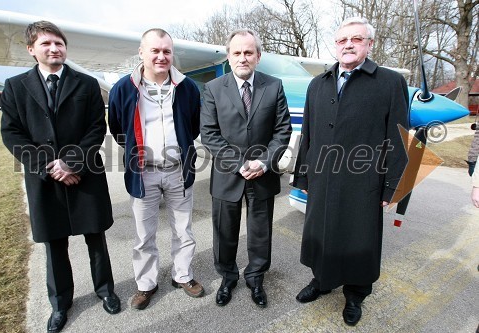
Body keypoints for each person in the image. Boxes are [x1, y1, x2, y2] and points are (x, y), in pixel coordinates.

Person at [0, 21, 120, 333]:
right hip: (44, 179)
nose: (55, 49)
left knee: (95, 236)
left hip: (84, 175)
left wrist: (71, 163)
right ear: (32, 50)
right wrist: (50, 166)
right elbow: (12, 133)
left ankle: (105, 290)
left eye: (59, 43)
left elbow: (96, 127)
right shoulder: (15, 87)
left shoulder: (86, 84)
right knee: (54, 243)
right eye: (46, 44)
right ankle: (60, 303)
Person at [292, 17, 409, 326]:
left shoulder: (390, 82)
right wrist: (302, 175)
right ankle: (322, 281)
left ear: (369, 44)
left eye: (356, 39)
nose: (348, 45)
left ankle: (356, 295)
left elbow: (398, 137)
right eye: (343, 40)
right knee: (323, 233)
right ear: (336, 46)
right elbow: (309, 134)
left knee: (359, 239)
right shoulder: (318, 84)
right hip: (322, 177)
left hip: (364, 181)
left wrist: (392, 187)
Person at [108, 28, 204, 310]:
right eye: (155, 50)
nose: (161, 56)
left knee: (184, 229)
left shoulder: (187, 87)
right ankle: (146, 284)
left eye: (166, 51)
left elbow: (194, 124)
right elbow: (117, 127)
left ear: (172, 54)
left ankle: (183, 275)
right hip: (143, 172)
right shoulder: (123, 88)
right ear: (142, 52)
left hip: (178, 169)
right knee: (143, 234)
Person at [200, 29, 292, 308]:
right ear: (228, 57)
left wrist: (264, 161)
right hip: (228, 175)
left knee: (260, 232)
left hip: (263, 173)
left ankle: (255, 278)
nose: (243, 57)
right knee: (224, 231)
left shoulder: (274, 86)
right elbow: (209, 134)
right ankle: (228, 278)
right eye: (237, 52)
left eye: (248, 52)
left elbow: (282, 130)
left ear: (258, 56)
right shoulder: (214, 88)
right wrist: (240, 164)